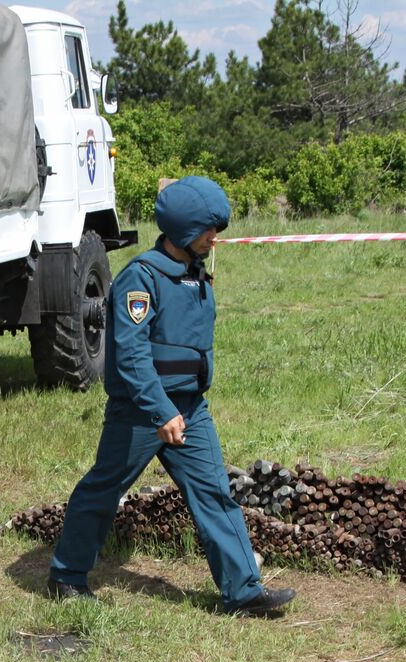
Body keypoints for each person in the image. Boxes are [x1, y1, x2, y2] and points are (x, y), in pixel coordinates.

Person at [45, 177, 295, 617]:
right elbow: (133, 356)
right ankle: (66, 575)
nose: (214, 237)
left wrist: (180, 409)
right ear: (182, 229)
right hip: (141, 413)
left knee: (215, 493)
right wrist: (160, 411)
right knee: (103, 490)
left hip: (190, 409)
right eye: (208, 229)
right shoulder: (140, 280)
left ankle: (243, 591)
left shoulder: (195, 273)